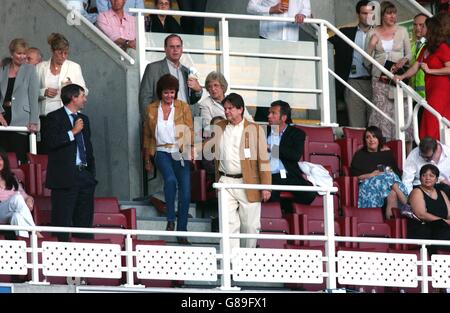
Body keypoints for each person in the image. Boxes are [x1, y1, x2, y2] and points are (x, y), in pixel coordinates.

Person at [211, 93, 271, 250]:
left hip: (249, 182)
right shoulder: (220, 127)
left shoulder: (255, 129)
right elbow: (210, 149)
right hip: (225, 181)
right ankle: (231, 264)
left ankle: (246, 261)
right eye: (225, 108)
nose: (226, 111)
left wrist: (266, 186)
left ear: (240, 109)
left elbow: (263, 160)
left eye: (230, 108)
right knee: (228, 225)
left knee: (250, 226)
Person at [143, 74, 193, 245]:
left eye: (172, 93)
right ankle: (170, 219)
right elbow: (148, 135)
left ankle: (182, 231)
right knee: (170, 180)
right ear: (160, 93)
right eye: (166, 93)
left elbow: (190, 130)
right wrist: (147, 159)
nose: (169, 96)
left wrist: (191, 149)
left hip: (180, 152)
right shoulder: (151, 108)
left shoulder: (183, 107)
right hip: (161, 151)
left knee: (185, 193)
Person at [45, 84, 96, 242]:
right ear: (73, 98)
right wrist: (72, 132)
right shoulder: (53, 117)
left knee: (84, 220)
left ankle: (84, 256)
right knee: (63, 219)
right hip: (64, 177)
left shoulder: (84, 119)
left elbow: (88, 147)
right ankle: (60, 257)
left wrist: (91, 174)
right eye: (82, 96)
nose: (85, 100)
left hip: (84, 176)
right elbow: (50, 142)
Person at [394, 16, 450, 141]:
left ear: (431, 29)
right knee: (430, 118)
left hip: (441, 89)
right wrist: (401, 76)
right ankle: (430, 149)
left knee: (432, 119)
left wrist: (431, 71)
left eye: (423, 26)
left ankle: (431, 147)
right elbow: (415, 67)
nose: (420, 28)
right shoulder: (425, 48)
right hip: (430, 89)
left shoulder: (442, 47)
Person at [365, 1, 412, 143]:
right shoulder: (372, 32)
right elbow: (366, 61)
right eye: (389, 13)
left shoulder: (402, 31)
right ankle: (383, 145)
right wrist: (371, 46)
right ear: (381, 15)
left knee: (401, 110)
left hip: (399, 76)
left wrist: (403, 60)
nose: (393, 16)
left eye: (394, 13)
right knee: (382, 113)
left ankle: (403, 145)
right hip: (379, 78)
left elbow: (409, 54)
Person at [36, 33, 88, 154]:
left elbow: (85, 90)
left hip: (67, 115)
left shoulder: (74, 67)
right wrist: (44, 92)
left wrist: (72, 87)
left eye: (66, 53)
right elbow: (31, 92)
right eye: (60, 52)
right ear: (52, 51)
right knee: (47, 151)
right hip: (46, 116)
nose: (63, 56)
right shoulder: (40, 67)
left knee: (68, 150)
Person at [328, 0, 373, 127]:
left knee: (375, 124)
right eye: (364, 13)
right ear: (358, 14)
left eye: (370, 13)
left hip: (375, 83)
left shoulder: (380, 33)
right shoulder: (345, 33)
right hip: (353, 82)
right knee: (356, 124)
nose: (368, 16)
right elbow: (325, 43)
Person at [350, 126, 408, 219]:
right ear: (365, 140)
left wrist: (389, 171)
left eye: (374, 136)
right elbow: (354, 177)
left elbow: (396, 173)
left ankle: (391, 223)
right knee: (388, 177)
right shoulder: (360, 155)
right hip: (367, 187)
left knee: (392, 193)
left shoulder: (387, 154)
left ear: (379, 139)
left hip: (387, 185)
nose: (371, 139)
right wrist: (371, 175)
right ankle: (406, 203)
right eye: (368, 137)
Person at [266, 100, 316, 205]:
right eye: (269, 112)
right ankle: (279, 216)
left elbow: (295, 155)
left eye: (273, 113)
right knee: (271, 193)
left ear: (284, 118)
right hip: (270, 175)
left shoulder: (297, 134)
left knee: (310, 192)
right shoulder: (265, 131)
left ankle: (289, 210)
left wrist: (271, 148)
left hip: (289, 174)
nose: (269, 116)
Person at [139, 34, 202, 115]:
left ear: (182, 49)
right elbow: (144, 98)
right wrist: (152, 122)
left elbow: (193, 100)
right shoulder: (153, 68)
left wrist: (198, 90)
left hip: (185, 119)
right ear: (165, 49)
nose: (175, 50)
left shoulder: (186, 71)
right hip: (164, 121)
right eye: (172, 47)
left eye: (178, 46)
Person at [0, 38, 39, 164]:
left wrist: (33, 121)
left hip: (22, 119)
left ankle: (19, 184)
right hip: (3, 116)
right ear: (12, 54)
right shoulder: (2, 69)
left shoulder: (30, 70)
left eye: (24, 53)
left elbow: (34, 97)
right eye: (19, 53)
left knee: (18, 158)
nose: (22, 56)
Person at [408, 164, 450, 253]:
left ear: (437, 179)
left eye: (431, 175)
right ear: (420, 178)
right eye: (424, 175)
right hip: (423, 229)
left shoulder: (441, 193)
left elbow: (449, 214)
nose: (427, 178)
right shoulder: (417, 191)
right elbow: (421, 214)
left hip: (442, 227)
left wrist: (446, 222)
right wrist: (443, 221)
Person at [0, 151, 42, 238]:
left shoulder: (12, 178)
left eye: (0, 159)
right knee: (17, 198)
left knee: (17, 216)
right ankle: (35, 231)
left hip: (10, 213)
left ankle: (24, 246)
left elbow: (24, 195)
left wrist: (29, 199)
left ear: (4, 162)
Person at [198, 71, 253, 137]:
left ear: (222, 86)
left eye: (216, 85)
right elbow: (208, 128)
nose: (213, 89)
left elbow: (249, 119)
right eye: (209, 86)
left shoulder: (234, 99)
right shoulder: (205, 104)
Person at [247, 0, 311, 41]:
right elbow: (250, 7)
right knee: (266, 62)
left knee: (290, 62)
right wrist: (271, 9)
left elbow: (306, 9)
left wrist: (302, 14)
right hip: (269, 38)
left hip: (292, 40)